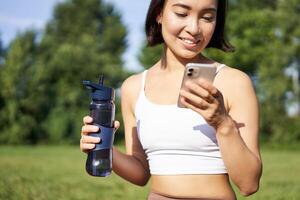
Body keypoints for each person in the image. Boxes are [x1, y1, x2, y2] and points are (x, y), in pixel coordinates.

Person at [80, 0, 262, 199]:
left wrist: (223, 123)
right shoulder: (133, 87)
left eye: (207, 17)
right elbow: (141, 173)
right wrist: (104, 148)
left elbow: (249, 184)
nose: (194, 28)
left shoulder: (234, 82)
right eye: (182, 14)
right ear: (159, 14)